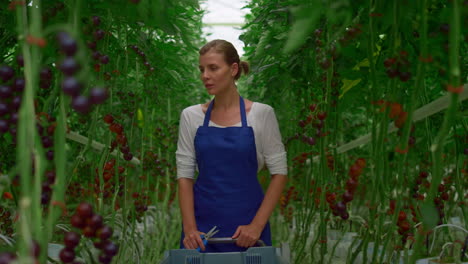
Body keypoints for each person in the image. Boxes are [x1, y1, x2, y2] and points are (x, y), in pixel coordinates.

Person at [176, 39, 287, 252]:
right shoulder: (191, 116)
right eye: (202, 69)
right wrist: (190, 228)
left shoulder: (262, 114)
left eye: (213, 68)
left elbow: (280, 173)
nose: (205, 76)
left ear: (233, 69)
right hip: (201, 229)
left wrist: (256, 226)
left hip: (248, 226)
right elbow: (184, 176)